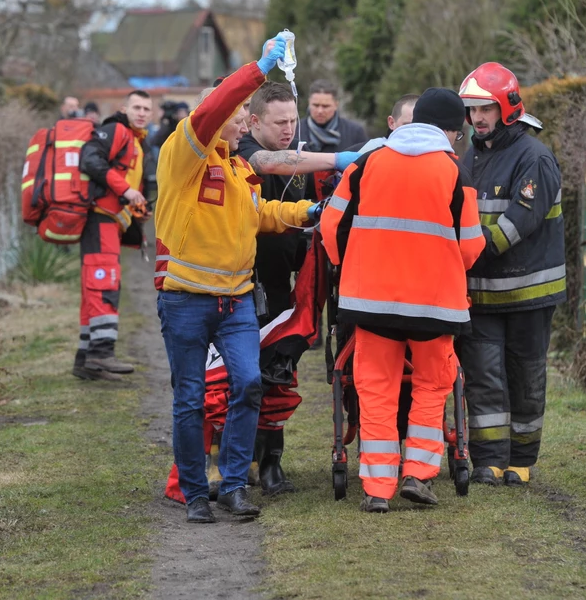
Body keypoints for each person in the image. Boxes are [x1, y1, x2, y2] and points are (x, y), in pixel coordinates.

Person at [153, 35, 316, 524]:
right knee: (191, 398)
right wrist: (259, 69)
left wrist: (310, 211)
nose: (246, 119)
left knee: (247, 384)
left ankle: (235, 485)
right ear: (215, 115)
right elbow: (215, 107)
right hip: (186, 300)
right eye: (241, 113)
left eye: (248, 112)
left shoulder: (236, 166)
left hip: (235, 301)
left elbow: (260, 214)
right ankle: (195, 492)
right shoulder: (185, 153)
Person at [321, 88, 485, 513]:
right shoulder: (455, 174)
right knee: (432, 385)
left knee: (375, 388)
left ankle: (377, 488)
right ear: (453, 131)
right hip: (435, 305)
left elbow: (330, 225)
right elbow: (470, 246)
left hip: (370, 302)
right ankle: (418, 474)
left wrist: (348, 267)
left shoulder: (367, 163)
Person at [232, 80, 359, 495]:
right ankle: (243, 459)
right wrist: (340, 156)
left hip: (282, 284)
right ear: (254, 121)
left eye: (293, 120)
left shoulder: (296, 151)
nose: (289, 129)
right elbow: (277, 162)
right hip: (245, 284)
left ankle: (271, 460)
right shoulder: (246, 154)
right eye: (279, 121)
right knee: (247, 375)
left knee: (280, 372)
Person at [456, 62, 566, 487]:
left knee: (524, 379)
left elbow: (513, 227)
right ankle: (488, 461)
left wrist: (458, 254)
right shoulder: (472, 156)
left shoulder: (534, 158)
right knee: (482, 380)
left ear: (506, 108)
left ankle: (520, 460)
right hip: (481, 296)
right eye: (471, 110)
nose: (477, 119)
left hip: (527, 296)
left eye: (484, 109)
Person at [72, 91, 151, 381]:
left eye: (146, 109)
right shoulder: (116, 130)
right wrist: (125, 190)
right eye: (137, 107)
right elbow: (89, 159)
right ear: (124, 108)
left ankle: (85, 359)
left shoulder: (137, 141)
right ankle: (102, 353)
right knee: (103, 282)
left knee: (95, 285)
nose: (142, 112)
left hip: (111, 221)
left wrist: (137, 207)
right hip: (99, 219)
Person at [300, 79, 368, 154]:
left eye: (325, 106)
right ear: (309, 102)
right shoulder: (295, 131)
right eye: (315, 105)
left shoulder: (355, 132)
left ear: (336, 105)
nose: (320, 111)